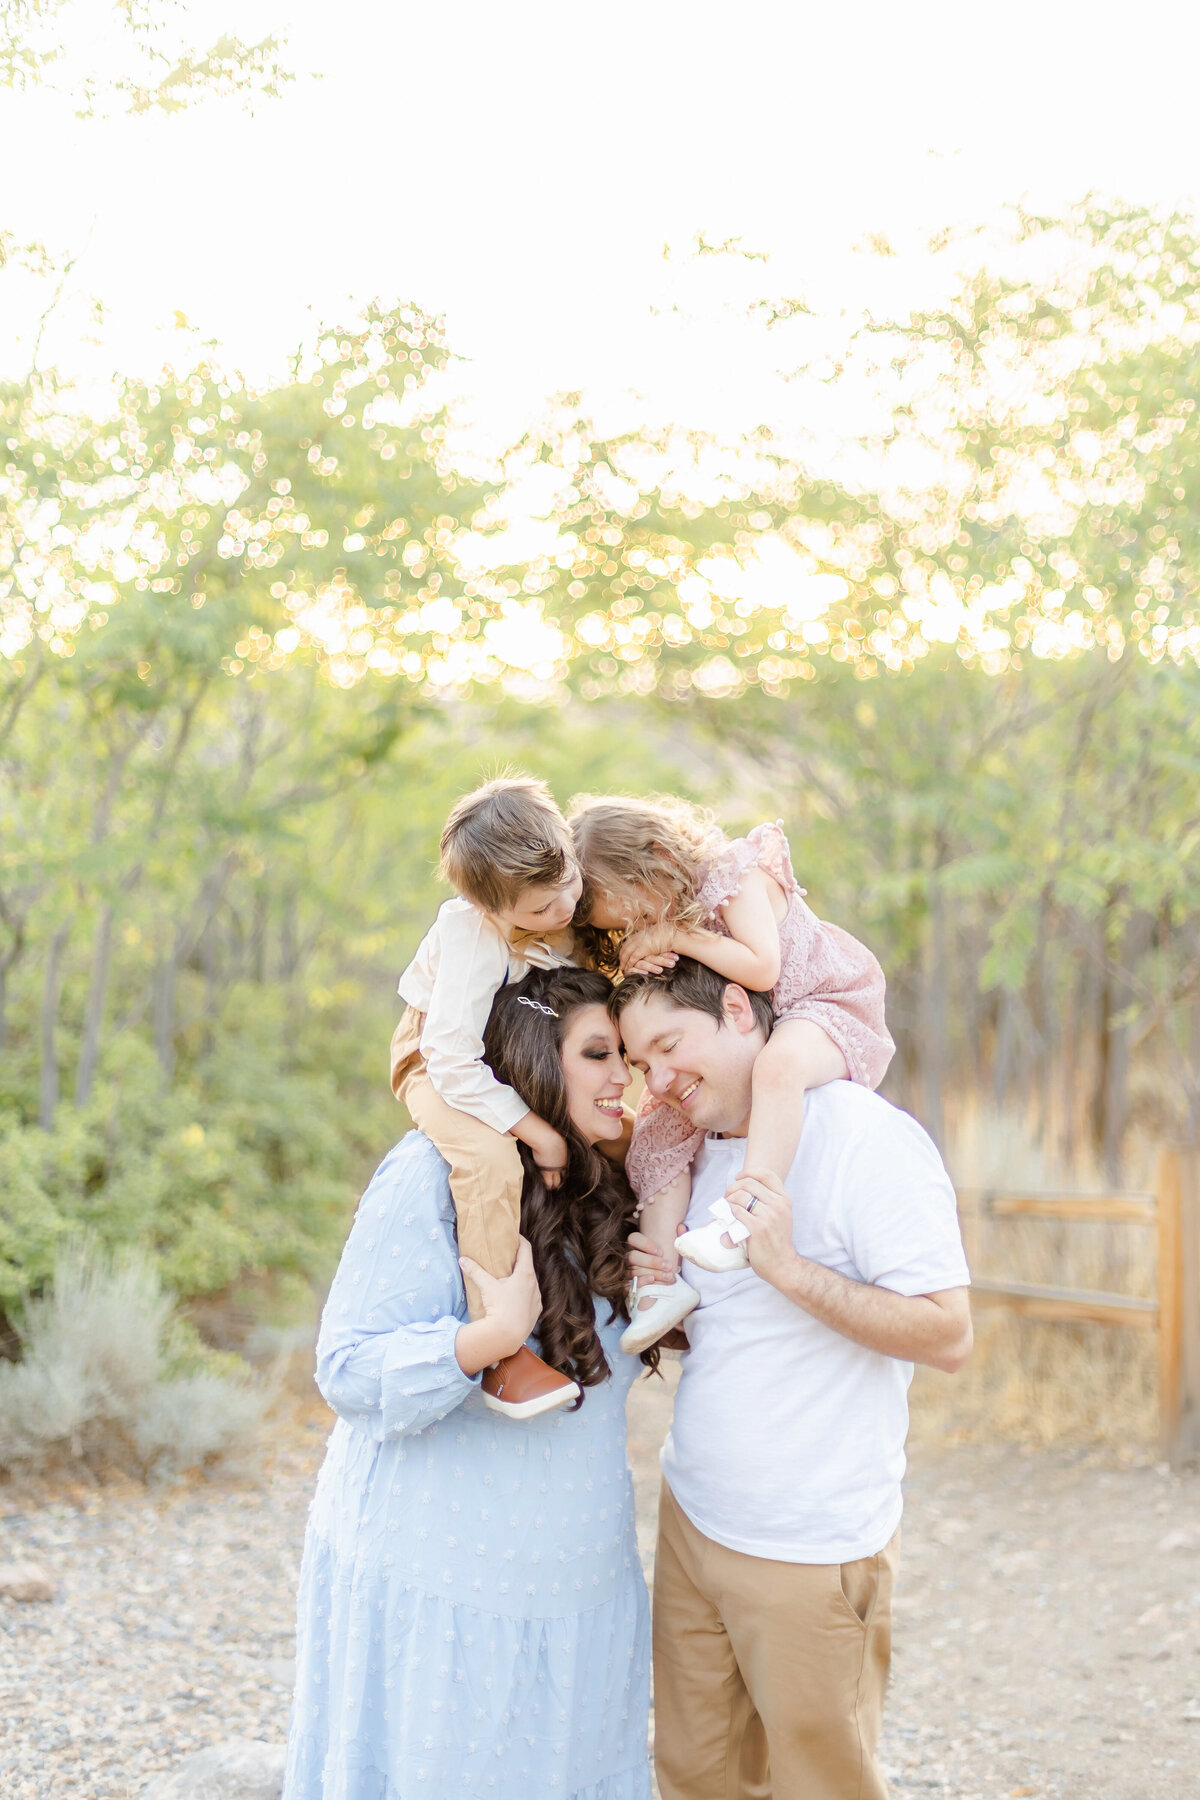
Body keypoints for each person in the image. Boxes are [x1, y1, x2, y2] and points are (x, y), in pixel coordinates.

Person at [284, 966, 654, 1800]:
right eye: (598, 1053)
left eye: (626, 1056)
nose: (620, 1076)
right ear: (533, 1061)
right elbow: (346, 1364)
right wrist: (486, 1339)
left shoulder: (612, 1182)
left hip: (576, 1594)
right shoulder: (434, 1172)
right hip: (439, 1584)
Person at [614, 958, 972, 1800]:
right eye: (639, 1064)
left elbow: (948, 1332)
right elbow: (741, 1341)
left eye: (669, 1046)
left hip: (809, 1545)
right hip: (694, 1520)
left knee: (823, 1785)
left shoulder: (862, 1135)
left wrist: (789, 1269)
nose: (657, 1082)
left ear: (739, 1010)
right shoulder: (689, 1155)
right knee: (695, 1777)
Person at [570, 796, 894, 1352]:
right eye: (621, 926)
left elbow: (762, 967)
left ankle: (746, 1217)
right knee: (656, 1130)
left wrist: (672, 937)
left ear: (654, 856)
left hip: (823, 1002)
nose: (637, 927)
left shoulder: (731, 874)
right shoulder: (662, 916)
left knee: (778, 1066)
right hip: (758, 1019)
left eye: (633, 914)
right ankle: (659, 1282)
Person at [390, 774, 586, 1417]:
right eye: (537, 911)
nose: (561, 912)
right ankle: (498, 1346)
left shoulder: (556, 883)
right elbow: (451, 1059)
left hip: (497, 1042)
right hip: (435, 1057)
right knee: (491, 1161)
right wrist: (537, 1131)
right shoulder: (470, 936)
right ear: (490, 910)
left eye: (568, 890)